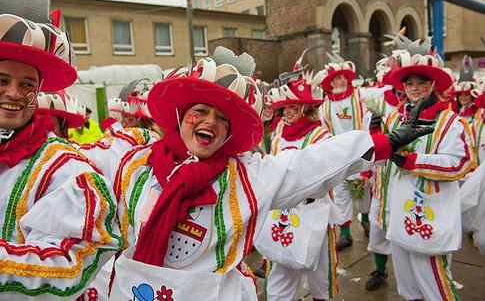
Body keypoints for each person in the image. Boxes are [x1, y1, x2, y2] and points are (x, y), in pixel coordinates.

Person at [104, 47, 431, 300]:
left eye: (222, 118)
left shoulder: (246, 176)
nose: (209, 122)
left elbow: (312, 163)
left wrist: (383, 143)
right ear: (180, 116)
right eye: (200, 111)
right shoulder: (135, 164)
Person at [0, 13, 120, 299]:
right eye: (2, 80)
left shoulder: (69, 170)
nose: (15, 93)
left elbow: (67, 267)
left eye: (28, 84)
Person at [382, 36, 475, 301]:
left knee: (434, 286)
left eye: (422, 82)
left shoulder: (450, 122)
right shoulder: (395, 118)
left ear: (433, 84)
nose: (415, 88)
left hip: (430, 215)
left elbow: (461, 163)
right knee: (407, 287)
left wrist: (414, 162)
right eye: (409, 83)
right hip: (398, 213)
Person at [261, 62, 339, 301]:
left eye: (293, 107)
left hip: (313, 215)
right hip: (282, 215)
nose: (286, 114)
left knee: (321, 280)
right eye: (284, 109)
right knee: (279, 280)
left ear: (306, 107)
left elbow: (327, 177)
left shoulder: (321, 136)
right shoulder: (278, 137)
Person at [319, 53, 372, 250]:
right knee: (341, 193)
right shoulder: (324, 106)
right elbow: (324, 132)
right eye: (336, 78)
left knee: (364, 189)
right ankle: (346, 233)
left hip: (362, 152)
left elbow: (368, 122)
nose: (340, 81)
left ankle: (366, 220)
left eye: (342, 77)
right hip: (339, 157)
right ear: (330, 82)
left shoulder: (360, 97)